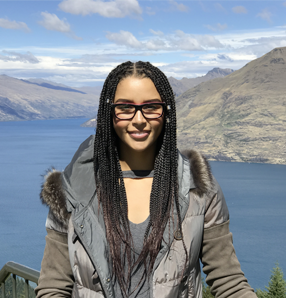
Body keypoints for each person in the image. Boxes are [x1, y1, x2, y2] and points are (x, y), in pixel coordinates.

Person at [35, 61, 257, 298]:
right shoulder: (72, 190)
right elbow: (53, 287)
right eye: (125, 108)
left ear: (166, 112)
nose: (139, 119)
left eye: (151, 107)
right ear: (109, 112)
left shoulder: (198, 188)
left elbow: (229, 281)